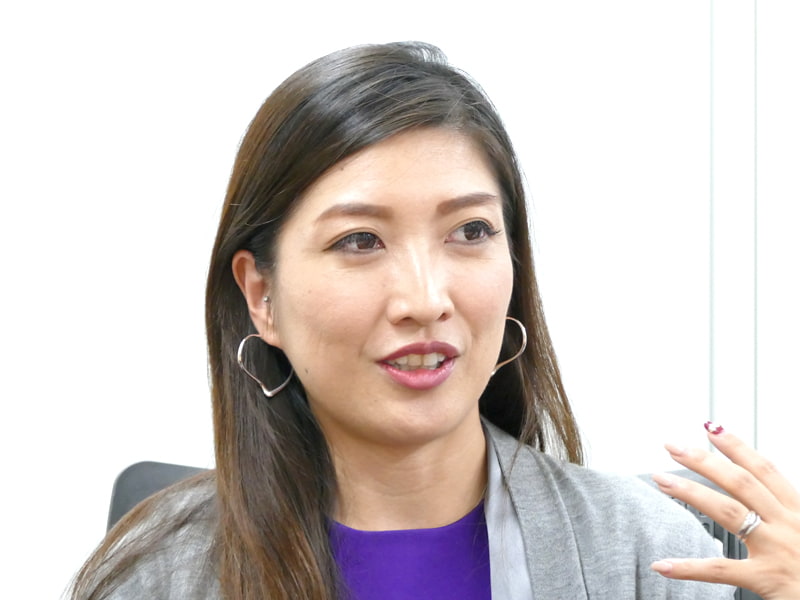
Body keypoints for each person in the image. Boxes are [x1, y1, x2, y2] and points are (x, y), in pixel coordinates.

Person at [68, 42, 800, 600]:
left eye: (470, 232)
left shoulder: (645, 551)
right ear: (262, 295)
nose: (424, 299)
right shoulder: (156, 573)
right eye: (360, 241)